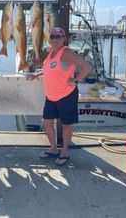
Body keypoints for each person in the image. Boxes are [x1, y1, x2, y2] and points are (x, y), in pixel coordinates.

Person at [27, 27, 92, 166]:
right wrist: (36, 75)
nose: (55, 39)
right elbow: (49, 70)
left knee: (66, 125)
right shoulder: (52, 51)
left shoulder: (66, 53)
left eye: (58, 37)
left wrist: (75, 80)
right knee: (47, 123)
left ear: (64, 39)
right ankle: (54, 149)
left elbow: (87, 66)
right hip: (51, 96)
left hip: (66, 95)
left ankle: (65, 152)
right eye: (52, 37)